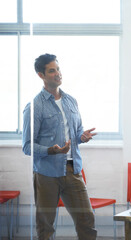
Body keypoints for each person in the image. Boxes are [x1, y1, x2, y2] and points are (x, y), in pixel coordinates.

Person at [22, 53, 97, 240]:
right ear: (41, 75)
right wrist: (51, 150)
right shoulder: (34, 106)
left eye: (58, 69)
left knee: (86, 221)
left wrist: (82, 137)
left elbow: (76, 135)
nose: (58, 73)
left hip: (73, 170)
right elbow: (27, 146)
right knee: (45, 227)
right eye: (52, 70)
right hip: (46, 174)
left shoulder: (71, 101)